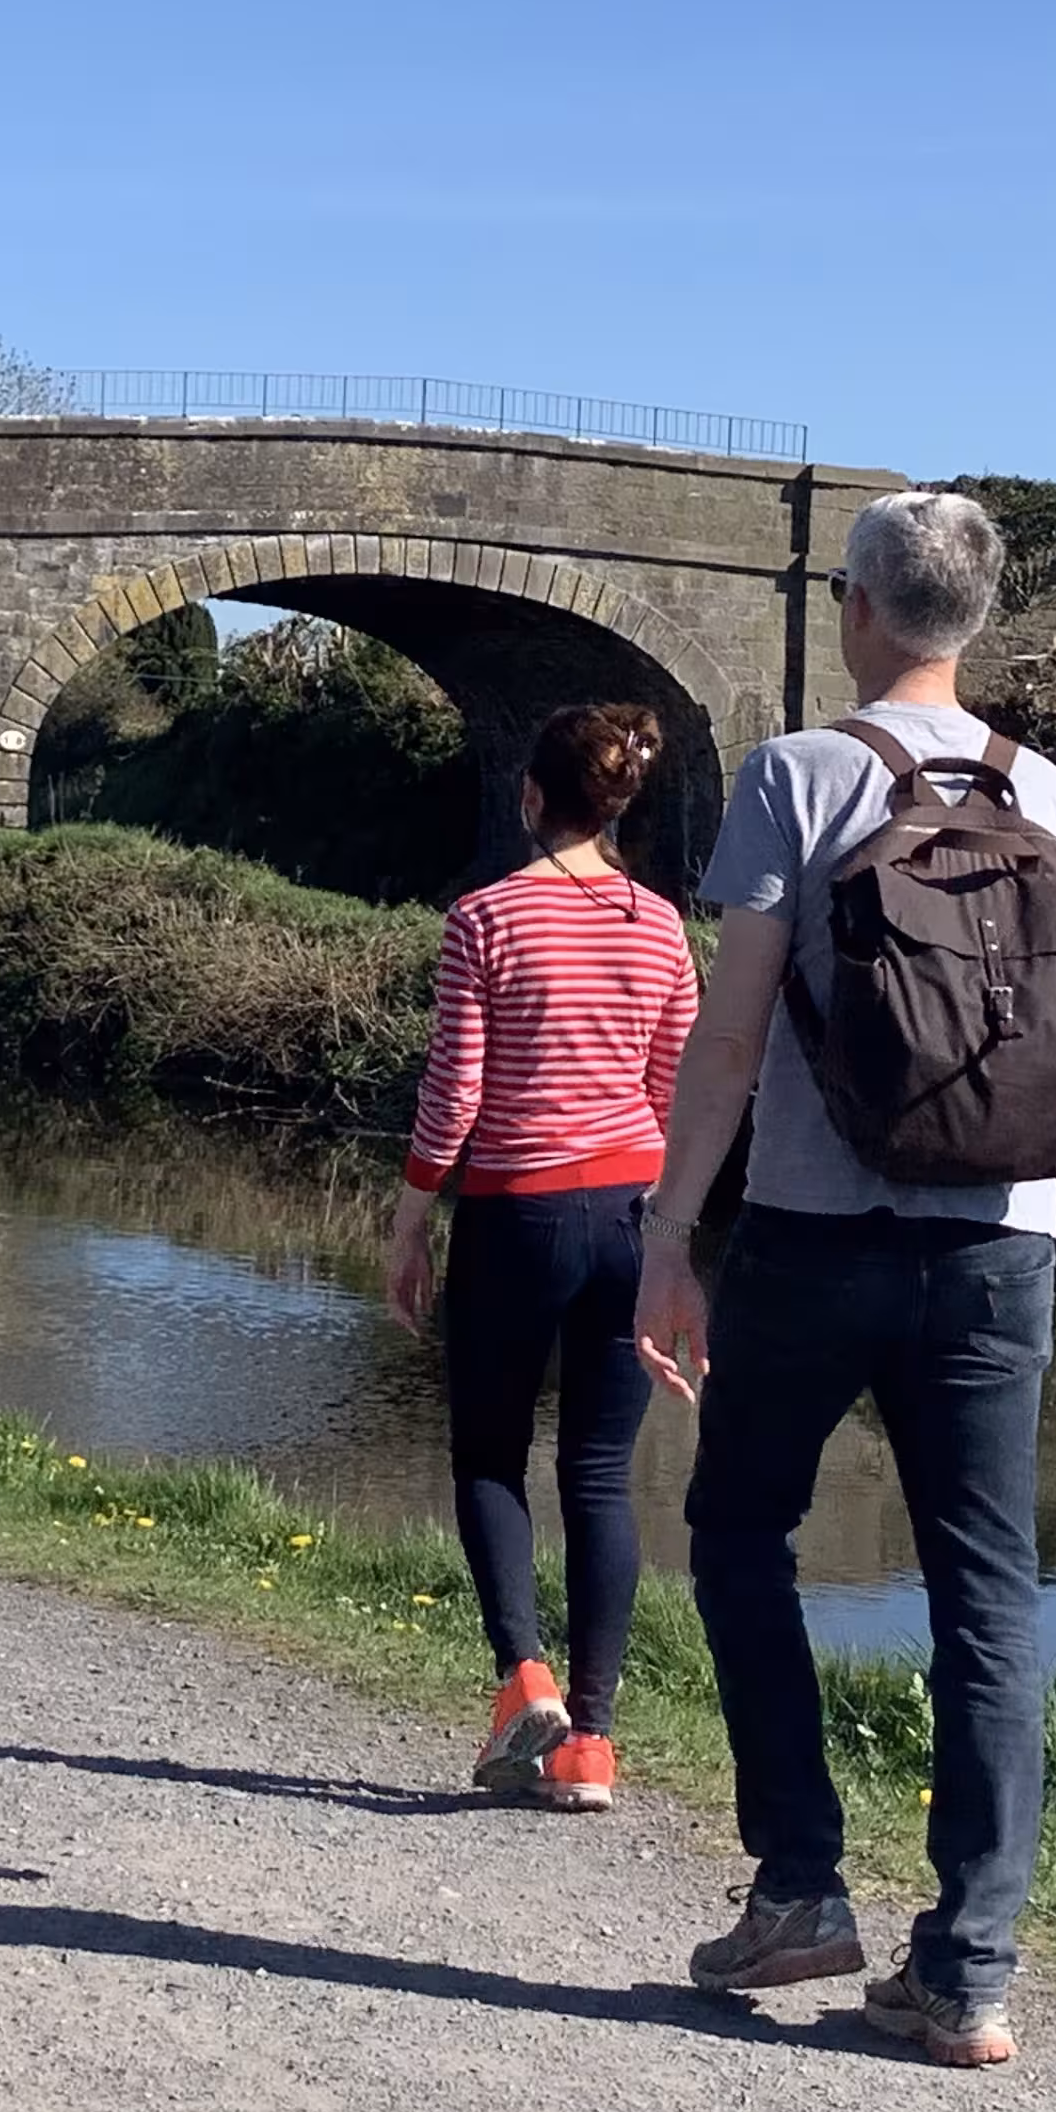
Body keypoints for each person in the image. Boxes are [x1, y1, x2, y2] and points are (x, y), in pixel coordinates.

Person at [635, 489, 1056, 2066]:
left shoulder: (797, 774)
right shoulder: (1049, 788)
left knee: (740, 1529)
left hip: (821, 1236)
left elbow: (734, 1031)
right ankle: (967, 1971)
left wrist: (668, 1228)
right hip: (1001, 1240)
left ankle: (801, 1887)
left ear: (863, 608)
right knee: (989, 1589)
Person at [383, 701, 700, 1814]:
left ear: (531, 798)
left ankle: (524, 1681)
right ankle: (594, 1745)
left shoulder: (486, 918)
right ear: (618, 802)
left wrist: (414, 1215)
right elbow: (675, 1089)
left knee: (488, 1454)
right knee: (603, 1474)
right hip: (628, 1214)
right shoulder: (662, 927)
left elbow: (457, 1090)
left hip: (516, 1214)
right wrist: (677, 1236)